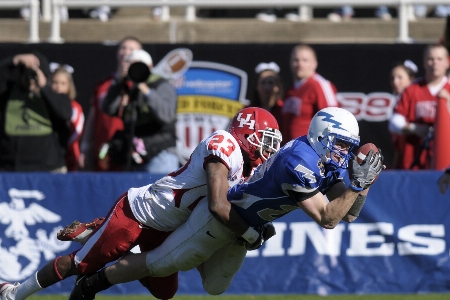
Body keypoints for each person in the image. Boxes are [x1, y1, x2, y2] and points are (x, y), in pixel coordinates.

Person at [64, 107, 385, 300]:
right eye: (342, 144)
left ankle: (174, 246)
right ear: (323, 136)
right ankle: (93, 283)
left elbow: (349, 215)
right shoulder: (298, 161)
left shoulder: (328, 160)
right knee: (160, 264)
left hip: (249, 226)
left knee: (215, 286)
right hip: (223, 217)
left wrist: (364, 184)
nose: (345, 152)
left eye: (349, 147)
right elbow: (328, 218)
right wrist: (357, 184)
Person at [0, 107, 282, 300]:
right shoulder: (225, 146)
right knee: (78, 265)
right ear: (247, 132)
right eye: (265, 141)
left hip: (167, 227)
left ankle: (99, 234)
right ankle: (14, 292)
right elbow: (218, 206)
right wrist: (248, 232)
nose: (268, 150)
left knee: (165, 292)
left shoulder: (246, 167)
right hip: (139, 214)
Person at [101, 48, 179, 173]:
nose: (134, 70)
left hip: (160, 154)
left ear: (150, 66)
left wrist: (145, 89)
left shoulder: (160, 84)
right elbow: (108, 109)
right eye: (131, 66)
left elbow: (167, 115)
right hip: (135, 156)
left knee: (159, 192)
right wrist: (117, 82)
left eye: (138, 66)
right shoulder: (126, 87)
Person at [0, 52, 72, 172]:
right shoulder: (9, 92)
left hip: (47, 168)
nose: (31, 80)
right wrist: (14, 61)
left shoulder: (55, 96)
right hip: (11, 167)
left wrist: (44, 87)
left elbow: (65, 113)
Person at [79, 36, 142, 171]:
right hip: (103, 150)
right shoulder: (103, 84)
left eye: (131, 49)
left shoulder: (142, 86)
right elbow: (93, 116)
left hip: (130, 152)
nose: (126, 52)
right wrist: (85, 146)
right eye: (123, 48)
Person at [389, 44, 450, 170]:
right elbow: (394, 123)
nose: (435, 63)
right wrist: (414, 128)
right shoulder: (412, 89)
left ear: (447, 62)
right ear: (424, 62)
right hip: (414, 162)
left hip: (445, 164)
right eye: (430, 59)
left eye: (439, 59)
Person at [281, 44, 339, 144]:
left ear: (314, 64)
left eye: (305, 60)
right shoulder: (290, 91)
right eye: (296, 60)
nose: (299, 64)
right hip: (289, 150)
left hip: (309, 150)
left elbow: (334, 120)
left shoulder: (320, 85)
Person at [50, 64, 85, 171]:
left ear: (69, 86)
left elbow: (76, 131)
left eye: (63, 83)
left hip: (69, 155)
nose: (58, 86)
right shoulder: (44, 105)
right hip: (49, 155)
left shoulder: (75, 107)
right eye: (55, 82)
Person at [388, 60, 418, 169]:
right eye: (392, 78)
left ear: (411, 80)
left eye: (400, 77)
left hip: (418, 162)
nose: (395, 82)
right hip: (403, 165)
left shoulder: (417, 102)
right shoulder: (397, 104)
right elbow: (398, 147)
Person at [251, 61, 284, 129]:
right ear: (257, 86)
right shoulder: (249, 110)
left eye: (270, 83)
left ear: (277, 86)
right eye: (263, 83)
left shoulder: (283, 110)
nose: (267, 87)